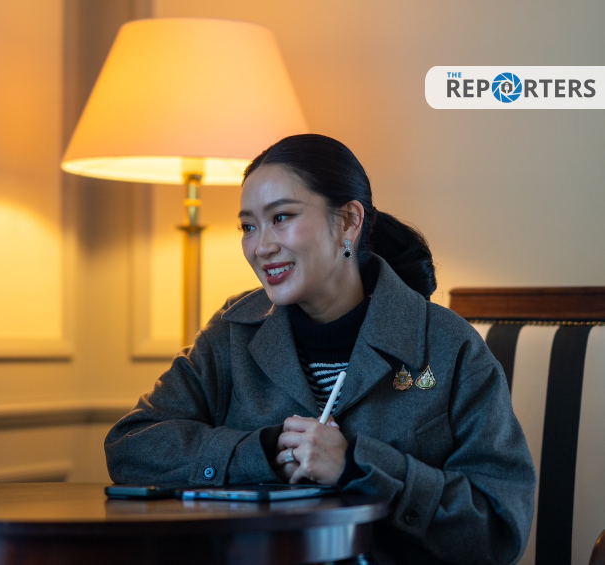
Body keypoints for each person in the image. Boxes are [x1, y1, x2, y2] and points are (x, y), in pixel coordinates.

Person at [104, 134, 536, 564]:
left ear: (348, 221)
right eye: (248, 226)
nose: (261, 247)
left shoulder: (448, 344)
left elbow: (498, 531)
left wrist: (358, 466)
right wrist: (265, 451)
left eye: (282, 217)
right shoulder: (232, 332)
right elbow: (132, 446)